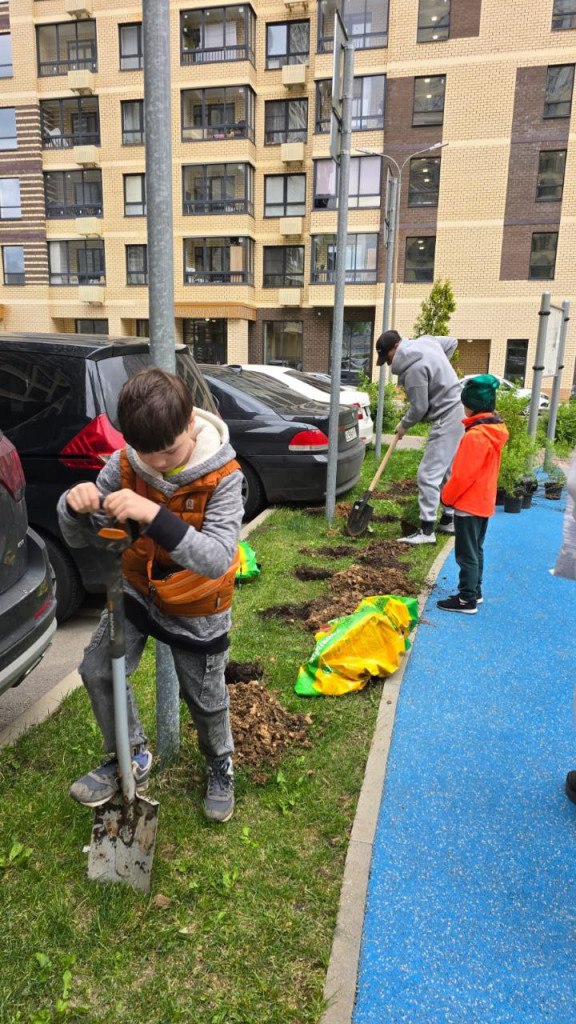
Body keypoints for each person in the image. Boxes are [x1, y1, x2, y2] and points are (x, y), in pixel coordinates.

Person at [57, 367, 244, 823]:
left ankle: (221, 763)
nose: (157, 463)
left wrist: (153, 513)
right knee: (98, 668)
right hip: (136, 591)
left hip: (197, 604)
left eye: (169, 451)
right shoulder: (122, 465)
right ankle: (131, 753)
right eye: (147, 453)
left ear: (191, 426)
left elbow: (217, 557)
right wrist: (74, 506)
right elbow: (85, 538)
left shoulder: (223, 476)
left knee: (204, 698)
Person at [376, 329, 464, 544]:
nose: (388, 363)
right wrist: (440, 370)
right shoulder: (428, 342)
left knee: (428, 474)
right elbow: (452, 342)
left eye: (386, 357)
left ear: (395, 347)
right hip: (459, 411)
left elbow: (419, 408)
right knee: (446, 471)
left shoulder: (414, 369)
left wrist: (403, 425)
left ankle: (426, 531)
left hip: (446, 416)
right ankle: (448, 519)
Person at [435, 374, 508, 614]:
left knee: (466, 554)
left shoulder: (475, 437)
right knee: (476, 549)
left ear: (470, 406)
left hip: (469, 503)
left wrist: (446, 498)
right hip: (484, 501)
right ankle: (475, 591)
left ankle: (466, 600)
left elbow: (462, 476)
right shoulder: (492, 431)